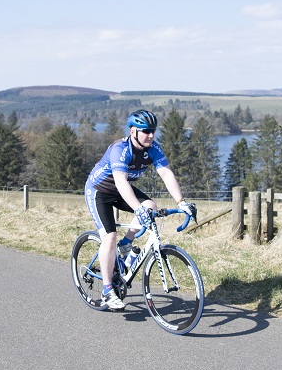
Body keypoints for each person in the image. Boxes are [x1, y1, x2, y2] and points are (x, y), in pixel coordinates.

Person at [84, 109, 198, 310]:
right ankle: (107, 290)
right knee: (109, 237)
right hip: (99, 191)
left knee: (150, 206)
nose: (151, 135)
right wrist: (137, 209)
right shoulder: (120, 149)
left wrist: (181, 201)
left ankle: (126, 243)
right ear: (133, 131)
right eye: (146, 131)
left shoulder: (153, 148)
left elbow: (165, 173)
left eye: (153, 131)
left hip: (122, 191)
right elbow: (120, 181)